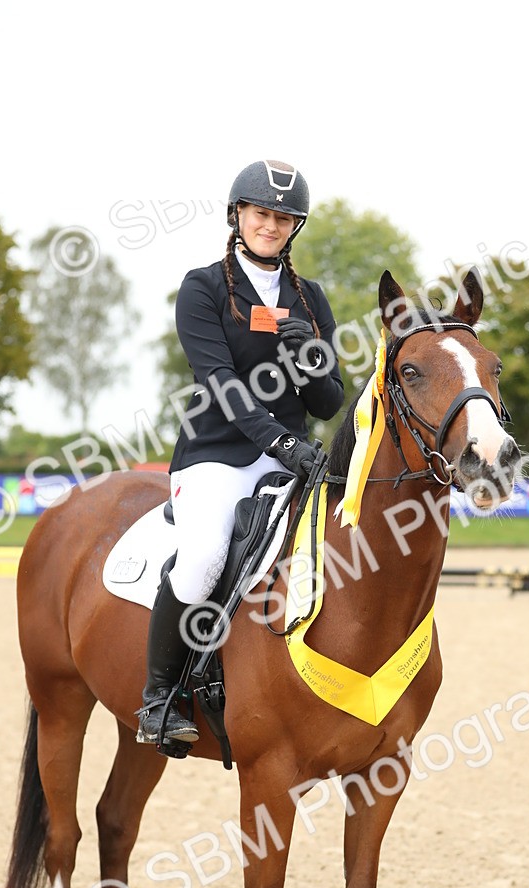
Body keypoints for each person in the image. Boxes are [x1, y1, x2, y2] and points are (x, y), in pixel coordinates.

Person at [137, 159, 344, 746]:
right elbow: (222, 384)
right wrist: (284, 444)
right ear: (238, 215)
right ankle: (160, 699)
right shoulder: (203, 288)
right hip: (215, 456)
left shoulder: (313, 299)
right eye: (260, 213)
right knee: (203, 558)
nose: (270, 225)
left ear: (294, 227)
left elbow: (328, 404)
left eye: (283, 217)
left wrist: (313, 361)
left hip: (288, 459)